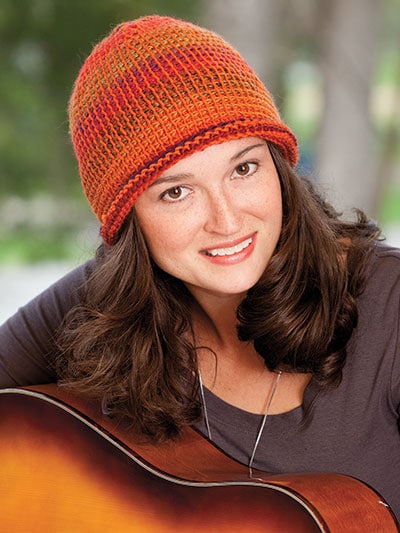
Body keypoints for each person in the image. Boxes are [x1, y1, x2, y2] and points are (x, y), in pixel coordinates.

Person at [1, 15, 399, 522]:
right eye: (176, 191)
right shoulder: (101, 301)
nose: (228, 220)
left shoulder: (390, 307)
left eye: (244, 167)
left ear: (279, 165)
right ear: (128, 222)